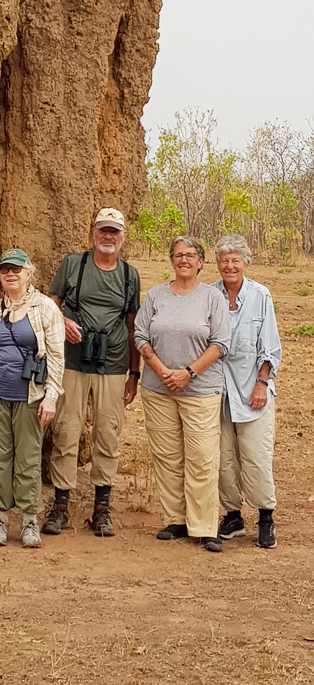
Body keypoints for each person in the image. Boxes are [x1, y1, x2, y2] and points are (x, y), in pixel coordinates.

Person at [42, 208, 142, 538]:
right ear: (93, 232)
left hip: (112, 365)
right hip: (72, 361)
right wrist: (64, 322)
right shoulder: (74, 264)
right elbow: (49, 306)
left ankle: (101, 508)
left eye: (114, 231)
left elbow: (132, 326)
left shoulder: (129, 275)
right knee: (67, 430)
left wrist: (134, 373)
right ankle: (60, 506)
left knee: (108, 434)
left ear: (123, 236)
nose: (108, 236)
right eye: (103, 230)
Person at [134, 236, 231, 553]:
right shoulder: (156, 295)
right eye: (178, 255)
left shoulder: (212, 298)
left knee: (202, 458)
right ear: (171, 260)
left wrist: (188, 372)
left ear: (201, 262)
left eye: (190, 255)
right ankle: (176, 519)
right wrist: (161, 369)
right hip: (157, 387)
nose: (184, 260)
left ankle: (204, 527)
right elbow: (140, 335)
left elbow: (220, 343)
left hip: (200, 389)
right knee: (168, 457)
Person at [0, 248, 65, 548]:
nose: (11, 274)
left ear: (29, 273)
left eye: (17, 269)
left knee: (27, 458)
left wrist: (50, 397)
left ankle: (29, 522)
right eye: (5, 269)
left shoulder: (45, 308)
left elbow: (57, 357)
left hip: (31, 397)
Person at [213, 234, 281, 549]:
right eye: (224, 260)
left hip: (253, 387)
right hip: (217, 388)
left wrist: (261, 383)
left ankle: (266, 517)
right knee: (224, 457)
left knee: (255, 455)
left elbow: (269, 345)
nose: (230, 266)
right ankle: (233, 516)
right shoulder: (209, 294)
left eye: (235, 260)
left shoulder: (260, 295)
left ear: (246, 263)